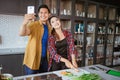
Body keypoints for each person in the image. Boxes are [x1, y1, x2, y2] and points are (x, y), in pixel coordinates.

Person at [19, 4, 51, 75]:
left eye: (45, 13)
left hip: (45, 60)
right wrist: (24, 23)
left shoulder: (50, 28)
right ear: (38, 14)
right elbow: (22, 33)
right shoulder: (33, 24)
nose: (43, 15)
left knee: (44, 78)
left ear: (49, 14)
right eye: (41, 13)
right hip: (32, 59)